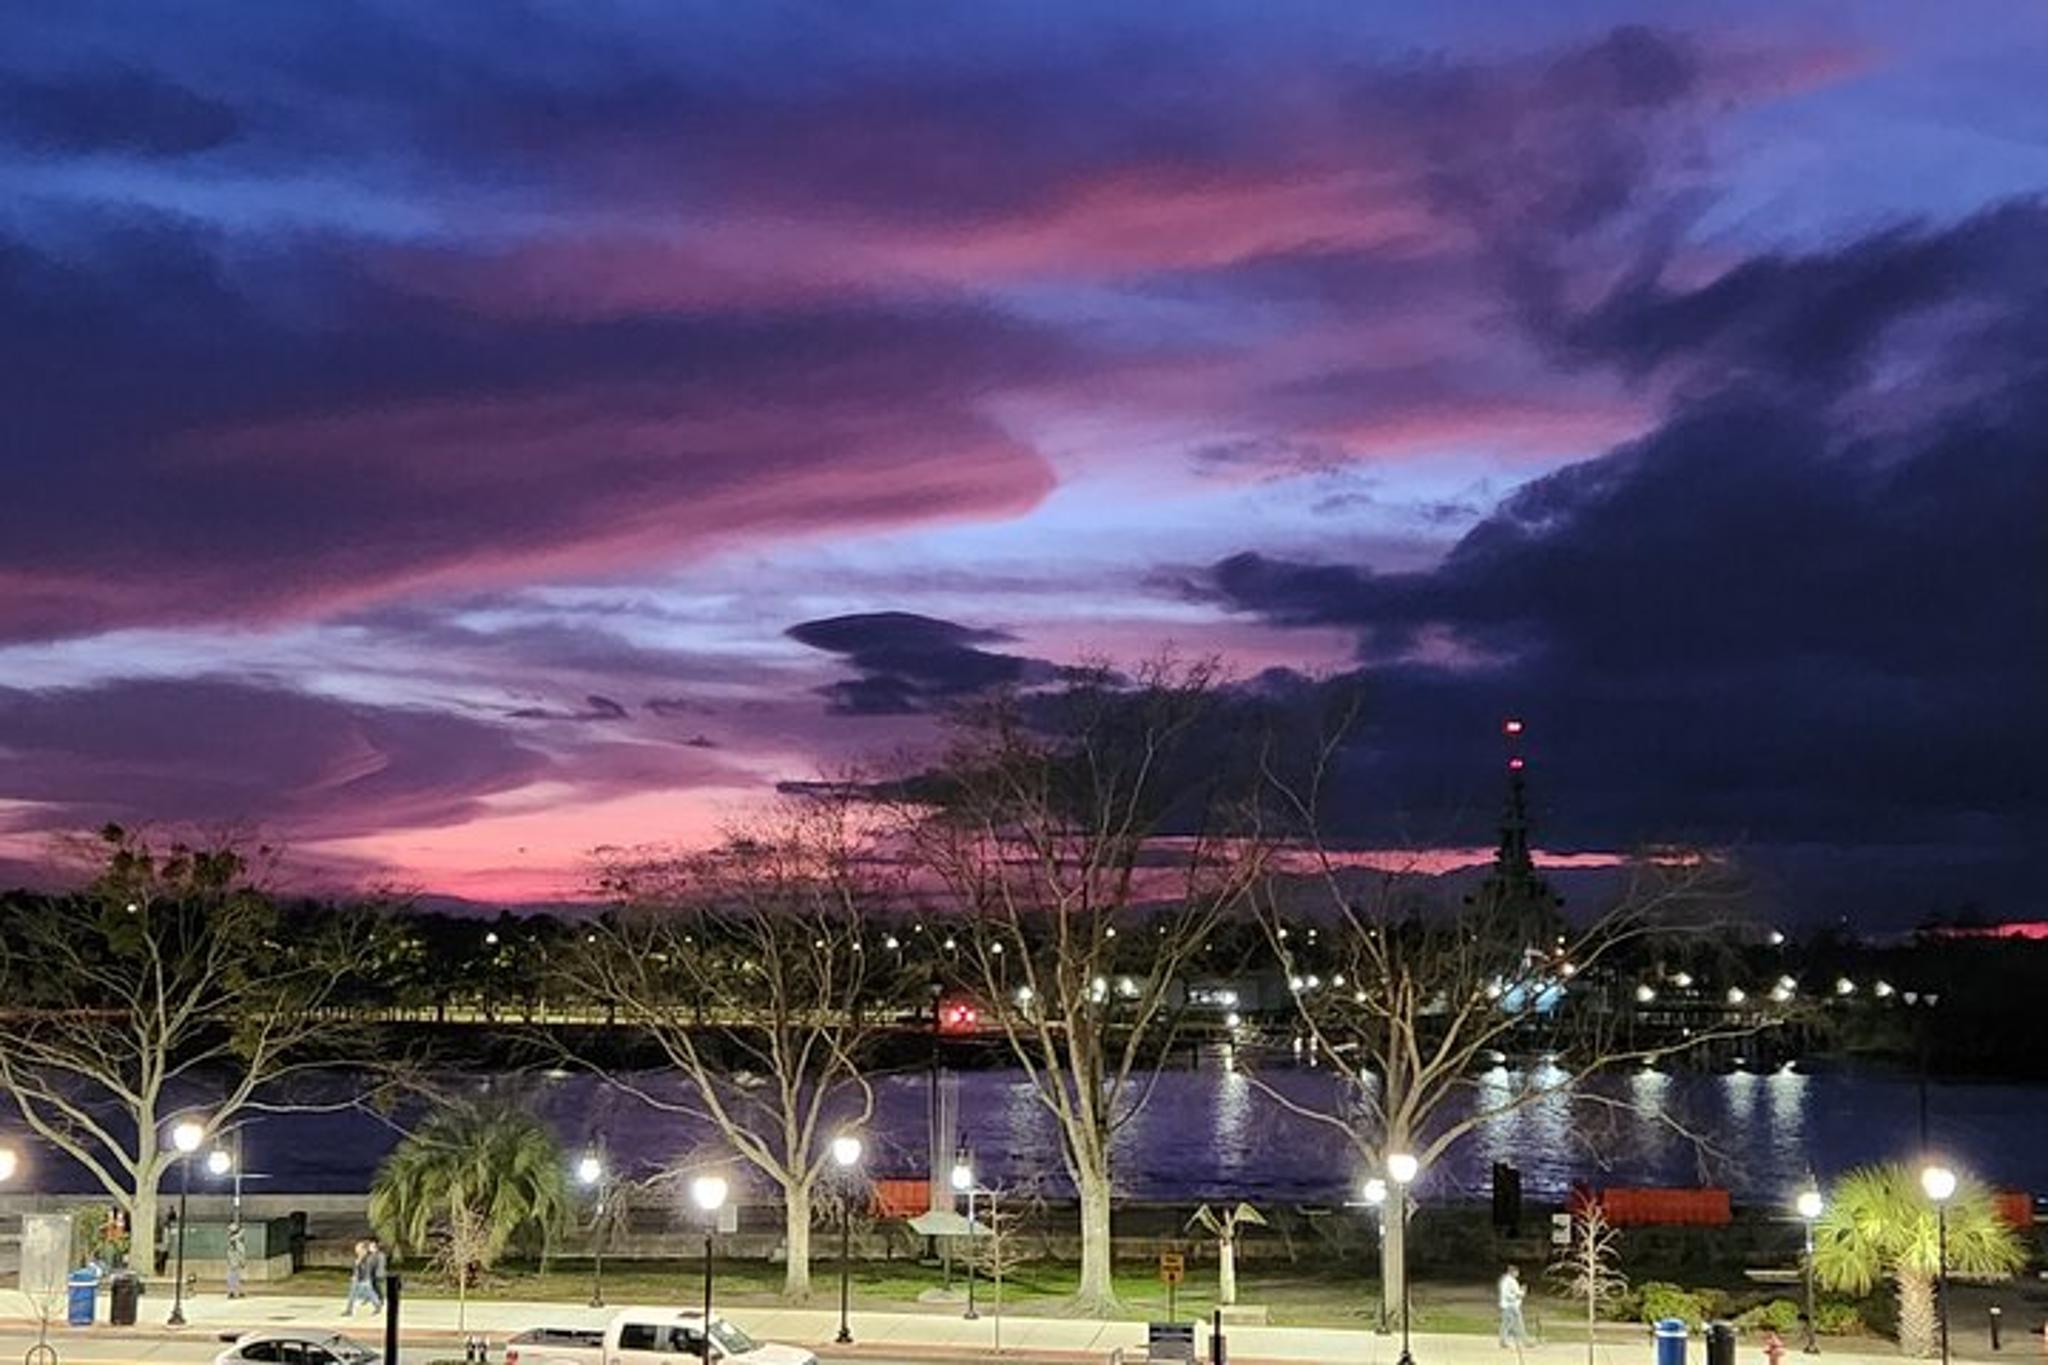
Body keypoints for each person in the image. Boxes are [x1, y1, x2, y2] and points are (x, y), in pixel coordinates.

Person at [343, 1240, 382, 1317]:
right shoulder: (359, 1258)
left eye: (358, 1248)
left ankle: (378, 1305)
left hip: (363, 1280)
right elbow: (355, 1269)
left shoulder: (366, 1259)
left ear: (363, 1250)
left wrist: (360, 1277)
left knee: (370, 1294)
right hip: (357, 1280)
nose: (356, 1250)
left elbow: (364, 1270)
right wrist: (353, 1276)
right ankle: (349, 1310)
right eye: (356, 1248)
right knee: (352, 1295)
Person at [1499, 1264, 1534, 1349]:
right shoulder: (1507, 1281)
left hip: (1512, 1305)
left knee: (1508, 1324)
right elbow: (1507, 1294)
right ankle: (1525, 1341)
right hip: (1510, 1306)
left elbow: (1515, 1292)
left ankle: (1504, 1341)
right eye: (1516, 1272)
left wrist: (1521, 1292)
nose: (1517, 1273)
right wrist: (1519, 1294)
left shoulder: (1511, 1281)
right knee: (1516, 1323)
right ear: (1512, 1272)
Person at [225, 1220, 247, 1299]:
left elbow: (241, 1252)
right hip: (234, 1262)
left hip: (236, 1262)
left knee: (238, 1278)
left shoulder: (237, 1242)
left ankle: (238, 1291)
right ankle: (232, 1292)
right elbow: (237, 1237)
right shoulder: (233, 1240)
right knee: (233, 1277)